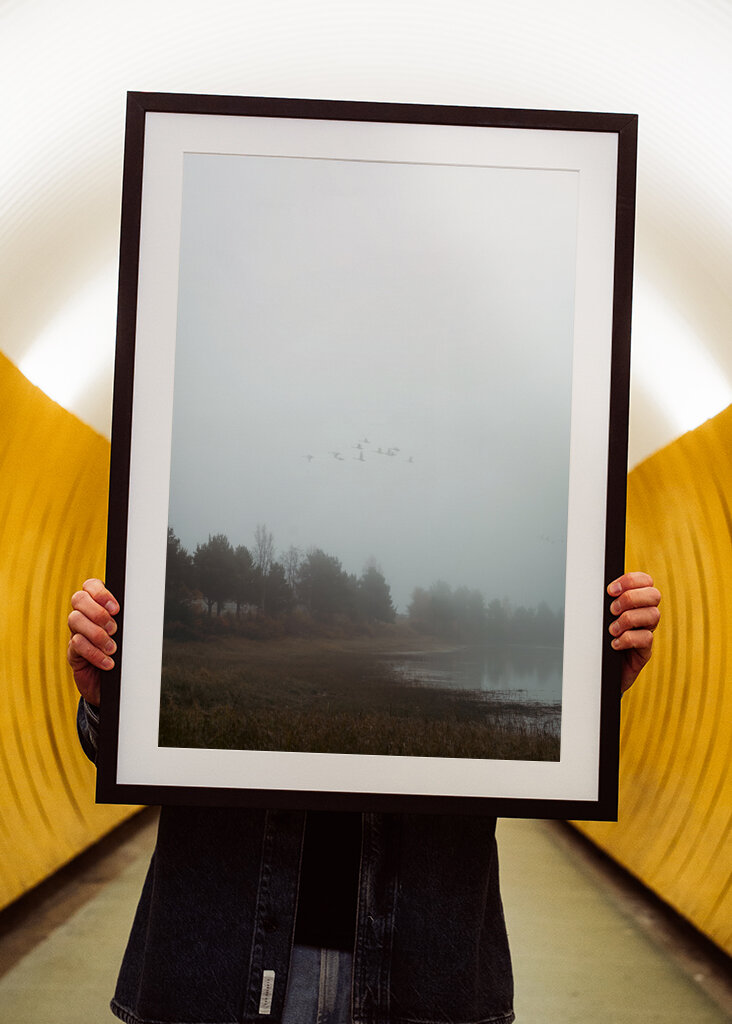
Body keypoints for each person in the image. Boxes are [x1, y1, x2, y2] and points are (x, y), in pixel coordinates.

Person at [68, 572, 661, 1024]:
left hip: (423, 972)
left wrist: (590, 696)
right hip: (219, 964)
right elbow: (123, 750)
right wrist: (109, 701)